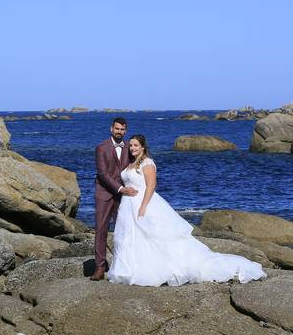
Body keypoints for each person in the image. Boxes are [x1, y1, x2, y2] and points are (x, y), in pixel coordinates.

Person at [107, 135, 266, 286]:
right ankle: (129, 269)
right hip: (128, 206)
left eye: (136, 145)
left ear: (143, 147)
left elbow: (151, 186)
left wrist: (143, 207)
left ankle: (154, 269)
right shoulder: (130, 164)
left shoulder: (147, 163)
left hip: (143, 203)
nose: (132, 148)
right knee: (129, 237)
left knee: (153, 237)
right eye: (131, 145)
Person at [91, 117, 138, 281]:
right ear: (111, 129)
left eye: (123, 129)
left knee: (124, 230)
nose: (120, 132)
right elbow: (103, 175)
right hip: (104, 193)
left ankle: (123, 265)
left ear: (126, 131)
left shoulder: (129, 148)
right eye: (117, 129)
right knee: (101, 230)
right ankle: (99, 268)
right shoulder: (101, 148)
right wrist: (120, 188)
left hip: (123, 196)